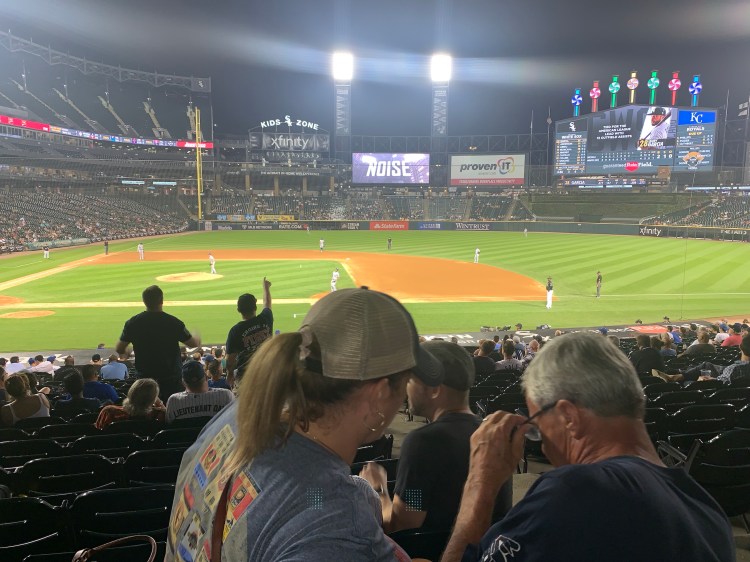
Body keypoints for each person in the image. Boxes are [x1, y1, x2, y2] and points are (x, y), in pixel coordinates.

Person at [166, 287, 444, 561]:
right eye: (405, 382)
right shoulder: (343, 524)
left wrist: (358, 491)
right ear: (380, 394)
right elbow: (321, 516)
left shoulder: (243, 412)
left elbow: (303, 503)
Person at [440, 332, 735, 562]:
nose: (543, 447)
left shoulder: (573, 492)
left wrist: (480, 483)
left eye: (538, 427)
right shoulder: (705, 508)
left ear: (569, 417)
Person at [360, 340, 511, 534]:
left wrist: (377, 489)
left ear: (434, 390)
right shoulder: (494, 436)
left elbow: (401, 524)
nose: (406, 389)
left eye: (410, 381)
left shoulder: (422, 443)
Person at [116, 285, 201, 402]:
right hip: (171, 379)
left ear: (144, 301)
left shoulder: (132, 323)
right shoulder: (173, 322)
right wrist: (197, 335)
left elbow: (119, 349)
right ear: (162, 301)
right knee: (172, 407)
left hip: (145, 379)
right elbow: (193, 343)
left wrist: (127, 351)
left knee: (147, 408)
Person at [225, 278, 273, 387]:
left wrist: (230, 374)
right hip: (268, 372)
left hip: (246, 377)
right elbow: (267, 303)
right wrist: (266, 288)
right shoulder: (266, 318)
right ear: (255, 307)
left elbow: (230, 360)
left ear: (239, 310)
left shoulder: (235, 330)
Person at [165, 360, 234, 424]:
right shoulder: (226, 395)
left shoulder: (173, 401)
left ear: (183, 383)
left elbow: (169, 424)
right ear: (206, 377)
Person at [95, 378, 165, 429]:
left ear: (131, 392)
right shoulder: (159, 415)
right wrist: (161, 405)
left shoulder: (109, 412)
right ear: (154, 399)